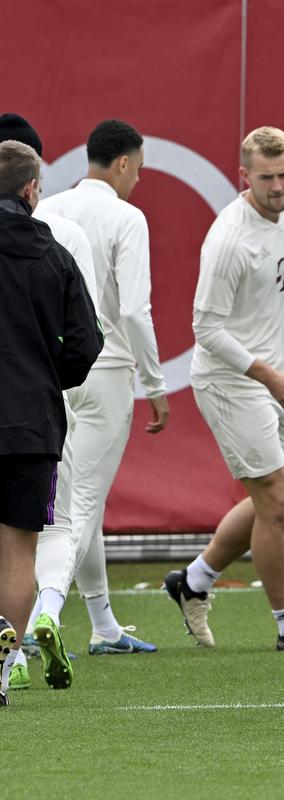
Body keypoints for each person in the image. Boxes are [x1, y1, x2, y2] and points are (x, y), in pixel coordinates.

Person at [162, 127, 284, 652]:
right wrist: (269, 376)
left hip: (277, 378)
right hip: (231, 380)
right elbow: (206, 330)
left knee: (283, 501)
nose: (279, 186)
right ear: (245, 177)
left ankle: (192, 581)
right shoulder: (229, 240)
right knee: (276, 500)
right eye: (267, 178)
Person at [38, 119, 168, 656]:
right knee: (81, 506)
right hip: (107, 370)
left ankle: (104, 624)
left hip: (51, 370)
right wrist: (156, 382)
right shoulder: (126, 217)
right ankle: (38, 618)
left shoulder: (47, 210)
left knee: (74, 499)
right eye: (137, 169)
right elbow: (135, 310)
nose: (137, 180)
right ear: (121, 164)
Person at [0, 114, 113, 693]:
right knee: (21, 546)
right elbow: (89, 341)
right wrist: (52, 374)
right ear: (30, 190)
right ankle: (6, 659)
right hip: (32, 420)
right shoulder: (56, 253)